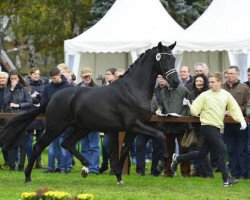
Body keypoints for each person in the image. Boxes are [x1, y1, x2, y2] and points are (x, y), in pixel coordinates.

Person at [171, 72, 247, 187]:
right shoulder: (205, 95)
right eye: (209, 82)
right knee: (222, 149)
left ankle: (178, 158)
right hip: (207, 126)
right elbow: (194, 111)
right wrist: (190, 106)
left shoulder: (226, 95)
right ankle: (226, 180)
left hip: (217, 128)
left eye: (213, 82)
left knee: (202, 153)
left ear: (219, 82)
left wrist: (241, 120)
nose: (210, 84)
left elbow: (235, 108)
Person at [156, 78, 190, 177]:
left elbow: (187, 106)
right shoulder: (163, 91)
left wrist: (181, 116)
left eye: (166, 79)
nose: (165, 81)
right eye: (163, 79)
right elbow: (161, 104)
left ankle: (185, 173)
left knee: (184, 149)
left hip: (181, 125)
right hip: (167, 125)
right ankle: (167, 172)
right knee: (167, 150)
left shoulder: (183, 90)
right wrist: (159, 110)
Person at [222, 66, 250, 179]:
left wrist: (234, 111)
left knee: (243, 150)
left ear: (238, 74)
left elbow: (247, 105)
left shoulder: (245, 88)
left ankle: (245, 173)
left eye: (232, 73)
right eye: (228, 73)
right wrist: (224, 111)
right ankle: (234, 173)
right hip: (227, 124)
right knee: (231, 149)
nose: (229, 75)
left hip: (241, 123)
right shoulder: (222, 88)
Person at [43, 67, 73, 173]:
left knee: (62, 143)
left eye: (54, 78)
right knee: (52, 144)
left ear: (60, 75)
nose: (53, 80)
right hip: (52, 120)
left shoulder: (68, 87)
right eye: (51, 78)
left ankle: (65, 167)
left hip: (64, 121)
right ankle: (51, 167)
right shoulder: (48, 87)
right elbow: (44, 102)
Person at [4, 70, 33, 171]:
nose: (13, 81)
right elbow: (5, 101)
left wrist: (19, 105)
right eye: (11, 79)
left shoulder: (24, 88)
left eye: (15, 78)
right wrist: (11, 89)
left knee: (22, 143)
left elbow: (29, 102)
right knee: (11, 142)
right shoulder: (7, 88)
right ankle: (12, 165)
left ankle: (21, 166)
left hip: (21, 118)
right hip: (10, 119)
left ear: (19, 78)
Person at [187, 74, 213, 178]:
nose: (198, 83)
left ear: (204, 82)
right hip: (194, 125)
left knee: (202, 148)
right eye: (197, 81)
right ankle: (197, 169)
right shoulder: (191, 94)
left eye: (200, 81)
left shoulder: (208, 94)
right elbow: (188, 109)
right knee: (194, 148)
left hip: (205, 124)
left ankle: (206, 172)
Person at [77, 67, 100, 174]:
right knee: (85, 146)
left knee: (94, 146)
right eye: (85, 76)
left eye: (89, 75)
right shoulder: (76, 88)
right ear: (81, 77)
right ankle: (87, 167)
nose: (87, 77)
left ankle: (94, 169)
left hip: (93, 122)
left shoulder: (97, 88)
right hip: (81, 123)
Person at [25, 67, 45, 169]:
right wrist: (33, 99)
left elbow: (44, 97)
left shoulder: (43, 85)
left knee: (40, 141)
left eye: (38, 73)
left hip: (40, 116)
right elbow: (25, 98)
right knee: (28, 140)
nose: (37, 75)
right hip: (30, 115)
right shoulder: (26, 85)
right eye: (35, 74)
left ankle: (38, 161)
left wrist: (39, 97)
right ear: (30, 74)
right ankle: (30, 161)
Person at [99, 67, 117, 174]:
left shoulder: (117, 87)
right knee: (105, 145)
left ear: (114, 76)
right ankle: (105, 164)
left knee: (111, 146)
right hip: (105, 120)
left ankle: (113, 167)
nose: (107, 76)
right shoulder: (104, 87)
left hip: (115, 120)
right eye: (106, 74)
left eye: (109, 74)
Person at [0, 72, 9, 169]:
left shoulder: (10, 90)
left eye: (4, 78)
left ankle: (8, 161)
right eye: (0, 78)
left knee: (6, 139)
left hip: (7, 118)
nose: (2, 79)